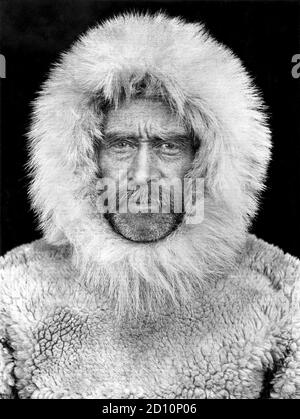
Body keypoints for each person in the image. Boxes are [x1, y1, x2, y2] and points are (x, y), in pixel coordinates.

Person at [1, 13, 299, 399]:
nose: (142, 175)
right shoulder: (13, 291)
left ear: (206, 161)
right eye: (121, 145)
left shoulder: (283, 292)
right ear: (84, 158)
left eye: (168, 145)